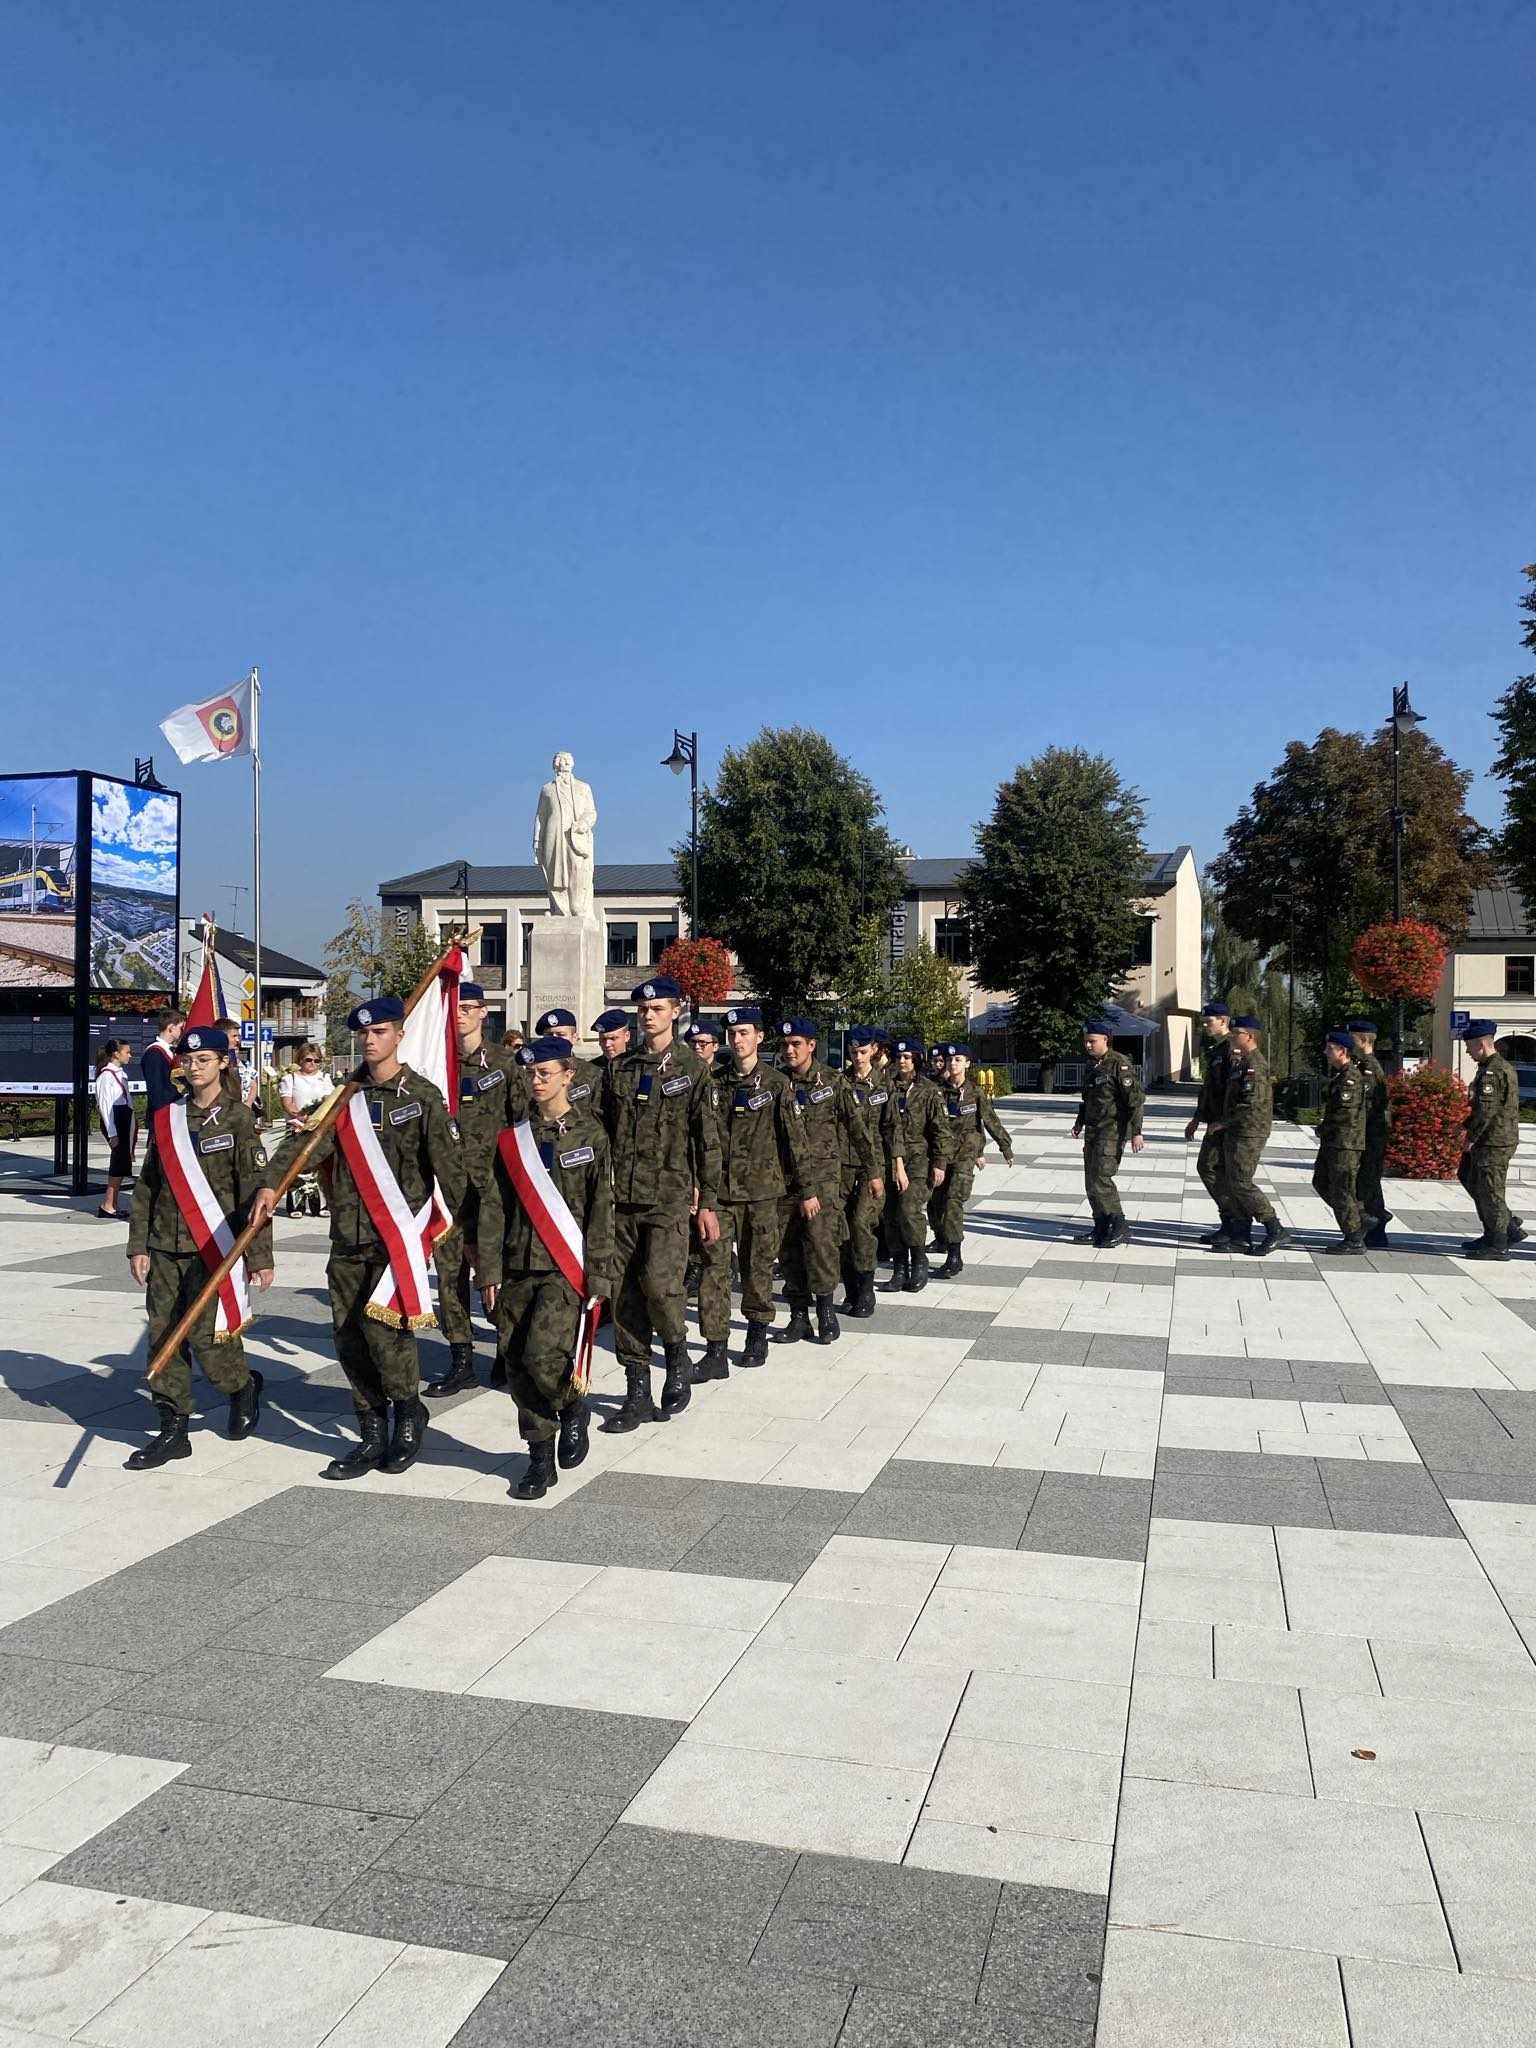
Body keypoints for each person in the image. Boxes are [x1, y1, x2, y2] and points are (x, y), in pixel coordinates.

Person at [252, 995, 467, 1478]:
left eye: (380, 1032)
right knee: (349, 1339)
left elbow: (452, 1174)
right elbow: (305, 1142)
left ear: (399, 1035)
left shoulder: (423, 1097)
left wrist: (456, 1238)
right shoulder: (342, 1098)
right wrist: (272, 1181)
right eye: (364, 1034)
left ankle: (408, 1415)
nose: (370, 1041)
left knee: (387, 1335)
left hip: (397, 1242)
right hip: (348, 1238)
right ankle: (370, 1432)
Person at [125, 1027, 273, 1469]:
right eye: (188, 1061)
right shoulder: (167, 1118)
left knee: (209, 1342)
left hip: (216, 1247)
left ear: (223, 1063)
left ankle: (241, 1385)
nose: (193, 1067)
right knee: (164, 1336)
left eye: (204, 1060)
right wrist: (139, 1245)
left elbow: (256, 1193)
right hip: (166, 1245)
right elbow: (148, 1185)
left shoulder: (237, 1119)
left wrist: (259, 1257)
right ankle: (173, 1429)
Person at [478, 1034, 615, 1499]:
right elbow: (494, 1207)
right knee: (516, 1361)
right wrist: (490, 1271)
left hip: (565, 1267)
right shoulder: (514, 1139)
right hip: (517, 1263)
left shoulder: (592, 1134)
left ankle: (572, 1405)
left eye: (545, 1073)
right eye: (530, 1074)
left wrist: (599, 1275)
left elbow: (601, 1210)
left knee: (542, 1356)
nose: (536, 1082)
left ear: (568, 1076)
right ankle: (539, 1458)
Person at [600, 974, 721, 1426]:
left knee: (660, 1285)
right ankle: (636, 1392)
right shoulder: (621, 1068)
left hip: (669, 1199)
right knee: (624, 1293)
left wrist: (706, 1200)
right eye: (643, 1011)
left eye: (657, 1009)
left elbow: (707, 1140)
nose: (648, 1016)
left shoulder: (693, 1069)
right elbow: (603, 1131)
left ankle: (676, 1358)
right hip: (621, 1200)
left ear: (675, 1013)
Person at [425, 983, 529, 1398]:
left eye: (469, 1008)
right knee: (450, 1279)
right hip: (446, 1191)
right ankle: (461, 1357)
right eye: (456, 1008)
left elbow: (523, 1128)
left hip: (492, 1195)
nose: (461, 1015)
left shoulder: (505, 1064)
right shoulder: (436, 1064)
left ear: (484, 1012)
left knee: (495, 1277)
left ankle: (507, 1349)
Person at [694, 1005, 805, 1373]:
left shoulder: (776, 1083)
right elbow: (702, 1139)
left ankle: (757, 1333)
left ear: (759, 1037)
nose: (737, 1040)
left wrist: (806, 1189)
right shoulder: (715, 1083)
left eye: (744, 1033)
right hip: (720, 1193)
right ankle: (715, 1348)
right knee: (714, 1268)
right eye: (732, 1034)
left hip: (762, 1193)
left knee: (757, 1268)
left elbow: (795, 1140)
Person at [778, 1017, 875, 1344]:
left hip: (824, 1181)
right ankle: (798, 1316)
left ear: (811, 1045)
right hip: (785, 1182)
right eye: (785, 1045)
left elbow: (858, 1130)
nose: (789, 1050)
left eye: (796, 1044)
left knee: (821, 1246)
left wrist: (873, 1171)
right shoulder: (777, 1084)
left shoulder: (833, 1082)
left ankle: (825, 1311)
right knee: (789, 1250)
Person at [1210, 1014, 1291, 1256]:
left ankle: (1275, 1228)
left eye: (1237, 1034)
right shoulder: (1242, 1062)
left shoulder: (1255, 1065)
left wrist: (1222, 1123)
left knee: (1242, 1182)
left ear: (1250, 1036)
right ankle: (1240, 1234)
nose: (1232, 1037)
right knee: (1233, 1181)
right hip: (1238, 1130)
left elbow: (1250, 1103)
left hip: (1250, 1131)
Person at [930, 1042, 1012, 1277]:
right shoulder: (936, 1091)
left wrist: (1005, 1147)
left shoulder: (975, 1092)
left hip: (965, 1155)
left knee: (954, 1202)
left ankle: (954, 1256)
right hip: (940, 1156)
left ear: (967, 1063)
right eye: (949, 1060)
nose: (952, 1064)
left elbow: (990, 1120)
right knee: (936, 1204)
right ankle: (942, 1239)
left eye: (958, 1060)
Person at [881, 1038, 949, 1292]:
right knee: (890, 1215)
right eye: (899, 1057)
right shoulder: (886, 1088)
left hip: (919, 1158)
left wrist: (940, 1162)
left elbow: (941, 1129)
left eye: (908, 1057)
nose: (902, 1062)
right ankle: (900, 1268)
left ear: (917, 1060)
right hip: (888, 1158)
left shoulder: (928, 1090)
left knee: (909, 1209)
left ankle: (919, 1261)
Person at [1071, 1023, 1145, 1247]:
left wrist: (1136, 1133)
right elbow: (1088, 1100)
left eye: (1092, 1041)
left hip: (1111, 1132)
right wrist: (1079, 1122)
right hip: (1093, 1132)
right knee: (1090, 1182)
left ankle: (1120, 1226)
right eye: (1086, 1040)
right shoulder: (1092, 1065)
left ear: (1106, 1040)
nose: (1088, 1045)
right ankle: (1101, 1226)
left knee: (1102, 1179)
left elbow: (1136, 1101)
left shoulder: (1119, 1064)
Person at [839, 1026, 892, 1317]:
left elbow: (892, 1126)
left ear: (873, 1050)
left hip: (872, 1165)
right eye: (853, 1052)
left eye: (862, 1052)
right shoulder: (839, 1082)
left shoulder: (884, 1084)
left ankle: (867, 1290)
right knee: (842, 1229)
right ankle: (850, 1289)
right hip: (842, 1165)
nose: (858, 1057)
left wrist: (896, 1163)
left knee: (862, 1225)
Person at [1458, 1020, 1519, 1260]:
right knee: (1473, 1180)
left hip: (1493, 1141)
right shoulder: (1492, 1067)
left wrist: (1470, 1137)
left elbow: (1486, 1110)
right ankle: (1497, 1231)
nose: (1467, 1052)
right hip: (1493, 1138)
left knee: (1491, 1190)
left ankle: (1499, 1244)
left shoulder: (1493, 1071)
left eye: (1469, 1046)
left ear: (1481, 1044)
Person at [1185, 1002, 1239, 1247]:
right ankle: (1230, 1221)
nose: (1206, 1026)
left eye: (1209, 1022)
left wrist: (1224, 1121)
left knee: (1213, 1168)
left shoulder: (1232, 1049)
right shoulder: (1218, 1049)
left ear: (1223, 1021)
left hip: (1225, 1124)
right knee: (1209, 1168)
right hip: (1215, 1121)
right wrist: (1197, 1117)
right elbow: (1209, 1090)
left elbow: (1234, 1091)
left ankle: (1236, 1222)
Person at [1315, 1031, 1368, 1253]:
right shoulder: (1340, 1075)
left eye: (1330, 1048)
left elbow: (1345, 1115)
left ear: (1342, 1051)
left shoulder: (1350, 1078)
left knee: (1341, 1189)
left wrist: (1323, 1128)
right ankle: (1361, 1218)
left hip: (1345, 1143)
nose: (1325, 1052)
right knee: (1321, 1182)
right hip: (1334, 1142)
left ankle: (1354, 1237)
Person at [1346, 1018, 1394, 1248]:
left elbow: (1365, 1107)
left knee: (1367, 1182)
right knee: (1367, 1182)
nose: (1349, 1042)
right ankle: (1376, 1225)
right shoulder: (1360, 1064)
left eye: (1352, 1038)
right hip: (1367, 1135)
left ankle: (1377, 1226)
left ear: (1363, 1040)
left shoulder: (1368, 1068)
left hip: (1370, 1135)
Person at [93, 1038, 136, 1218]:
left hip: (124, 1118)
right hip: (115, 1121)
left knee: (123, 1164)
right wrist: (113, 1134)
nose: (130, 1055)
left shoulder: (121, 1074)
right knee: (117, 1164)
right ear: (116, 1054)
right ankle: (107, 1205)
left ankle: (113, 1203)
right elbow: (105, 1106)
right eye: (127, 1052)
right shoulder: (106, 1076)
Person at [534, 1006, 604, 1111]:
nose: (554, 1040)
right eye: (549, 1035)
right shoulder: (533, 1074)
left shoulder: (592, 1073)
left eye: (560, 1035)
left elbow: (599, 1116)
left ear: (574, 1038)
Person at [140, 1009, 185, 1113]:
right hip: (162, 1113)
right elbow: (157, 1091)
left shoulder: (172, 1050)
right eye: (180, 1028)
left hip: (174, 1109)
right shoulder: (154, 1053)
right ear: (171, 1028)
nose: (182, 1031)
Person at [278, 1042, 331, 1121]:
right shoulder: (290, 1079)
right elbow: (287, 1104)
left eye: (317, 1061)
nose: (313, 1063)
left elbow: (329, 1100)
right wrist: (303, 1117)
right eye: (309, 1060)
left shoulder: (325, 1078)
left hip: (321, 1123)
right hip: (297, 1126)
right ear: (300, 1060)